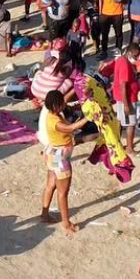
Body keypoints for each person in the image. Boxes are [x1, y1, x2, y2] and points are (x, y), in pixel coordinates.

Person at [38, 88, 87, 234]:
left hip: (52, 153)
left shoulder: (50, 112)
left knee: (50, 185)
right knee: (62, 192)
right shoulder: (56, 122)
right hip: (60, 158)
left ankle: (44, 214)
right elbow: (70, 127)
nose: (64, 105)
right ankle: (66, 223)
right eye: (61, 104)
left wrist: (77, 87)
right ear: (55, 106)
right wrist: (89, 117)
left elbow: (64, 100)